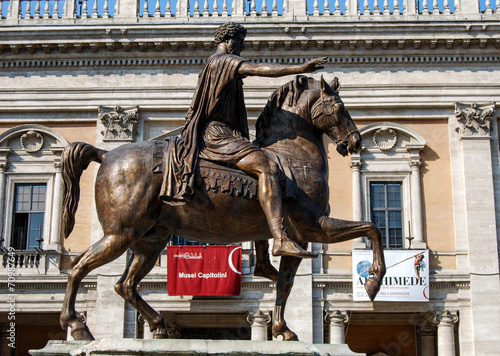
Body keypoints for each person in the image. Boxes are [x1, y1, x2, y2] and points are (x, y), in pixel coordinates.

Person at [161, 22, 327, 258]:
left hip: (221, 133)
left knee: (256, 176)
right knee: (268, 168)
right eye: (239, 42)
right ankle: (280, 238)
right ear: (227, 40)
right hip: (218, 135)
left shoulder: (212, 64)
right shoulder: (224, 62)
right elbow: (259, 69)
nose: (241, 47)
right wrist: (300, 67)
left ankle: (261, 260)